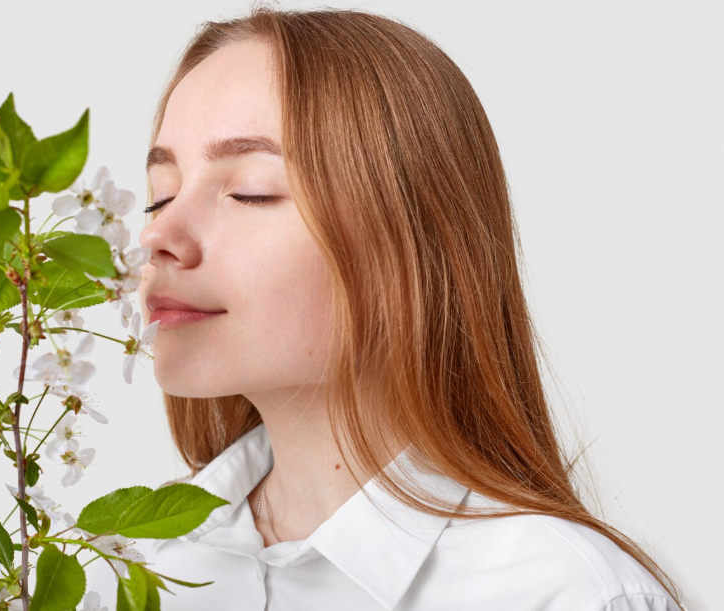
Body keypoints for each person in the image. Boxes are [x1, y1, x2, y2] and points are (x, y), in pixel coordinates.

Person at [134, 5, 686, 610]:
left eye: (250, 192)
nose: (159, 235)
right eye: (160, 197)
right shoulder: (123, 565)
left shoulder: (563, 593)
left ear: (414, 242)